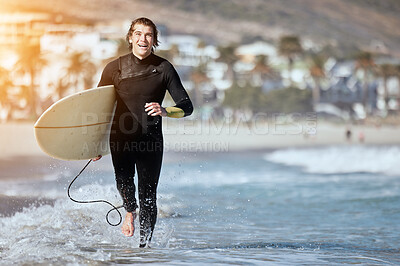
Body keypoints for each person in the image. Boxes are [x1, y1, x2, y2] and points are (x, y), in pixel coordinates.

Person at [93, 17, 193, 248]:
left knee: (149, 196)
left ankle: (144, 247)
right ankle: (130, 211)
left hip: (151, 140)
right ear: (130, 37)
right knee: (124, 183)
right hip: (120, 137)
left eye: (148, 35)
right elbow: (98, 106)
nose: (143, 39)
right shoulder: (114, 68)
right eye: (138, 34)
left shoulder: (163, 68)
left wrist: (165, 110)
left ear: (154, 40)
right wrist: (94, 142)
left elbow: (187, 107)